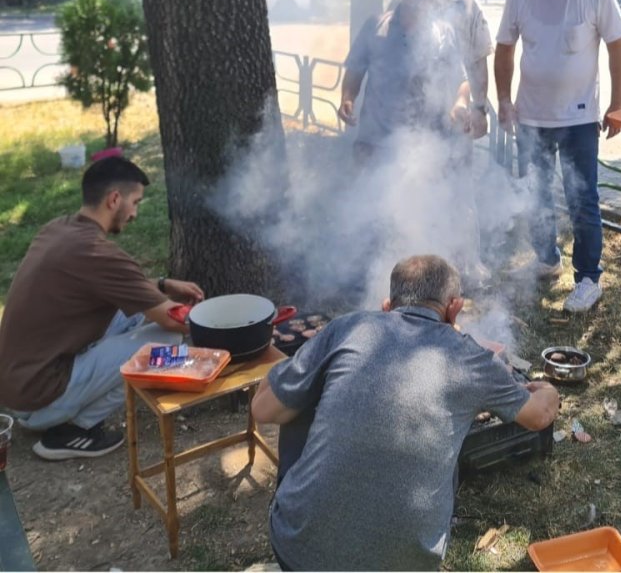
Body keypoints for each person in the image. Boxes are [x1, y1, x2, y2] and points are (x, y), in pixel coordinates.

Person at [252, 254, 560, 571]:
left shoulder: (347, 328)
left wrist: (302, 372)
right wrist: (548, 389)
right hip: (408, 563)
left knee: (296, 403)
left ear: (387, 305)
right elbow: (539, 416)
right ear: (454, 308)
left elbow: (262, 408)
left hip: (299, 552)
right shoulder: (471, 357)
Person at [0, 156, 204, 459]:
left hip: (18, 385)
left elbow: (120, 286)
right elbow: (174, 321)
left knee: (131, 312)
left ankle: (70, 404)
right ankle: (74, 431)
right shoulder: (97, 253)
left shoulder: (58, 229)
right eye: (135, 202)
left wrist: (162, 285)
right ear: (114, 199)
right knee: (166, 342)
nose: (134, 213)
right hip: (39, 401)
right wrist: (219, 319)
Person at [494, 0, 621, 312]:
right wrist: (503, 99)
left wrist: (617, 104)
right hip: (531, 117)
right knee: (535, 194)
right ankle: (547, 258)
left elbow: (617, 47)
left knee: (582, 200)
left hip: (579, 120)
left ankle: (588, 278)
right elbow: (504, 49)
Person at [338, 0, 472, 158]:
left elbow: (461, 80)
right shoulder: (375, 26)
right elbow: (355, 70)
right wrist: (347, 98)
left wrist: (461, 103)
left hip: (427, 147)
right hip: (374, 143)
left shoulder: (444, 34)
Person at [419, 0, 493, 140]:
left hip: (458, 118)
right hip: (412, 120)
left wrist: (480, 109)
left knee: (457, 160)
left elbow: (479, 61)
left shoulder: (469, 5)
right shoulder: (402, 4)